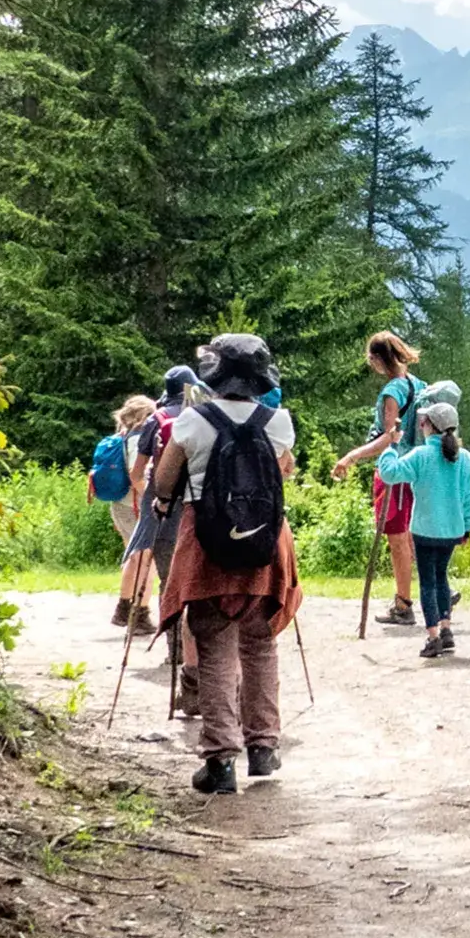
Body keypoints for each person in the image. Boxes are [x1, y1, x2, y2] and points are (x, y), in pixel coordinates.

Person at [153, 335, 300, 795]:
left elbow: (165, 481)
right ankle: (264, 746)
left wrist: (162, 500)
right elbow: (284, 472)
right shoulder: (278, 422)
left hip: (206, 544)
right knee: (260, 643)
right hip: (264, 543)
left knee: (214, 646)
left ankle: (220, 761)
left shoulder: (193, 421)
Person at [333, 332, 426, 626]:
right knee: (412, 535)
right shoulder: (418, 385)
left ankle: (403, 605)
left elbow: (390, 438)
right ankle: (435, 589)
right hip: (417, 470)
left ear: (377, 359)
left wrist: (352, 456)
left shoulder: (392, 392)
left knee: (397, 537)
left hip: (394, 472)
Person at [377, 400, 470, 658]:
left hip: (424, 530)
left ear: (429, 426)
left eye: (423, 422)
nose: (421, 425)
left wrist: (391, 445)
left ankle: (433, 635)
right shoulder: (464, 457)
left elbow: (389, 473)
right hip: (452, 531)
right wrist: (467, 528)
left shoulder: (421, 455)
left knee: (428, 583)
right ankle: (446, 629)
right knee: (441, 577)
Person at [116, 365, 198, 638]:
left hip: (163, 513)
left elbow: (137, 472)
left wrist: (152, 496)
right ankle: (198, 647)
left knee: (168, 580)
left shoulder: (156, 419)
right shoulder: (202, 416)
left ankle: (173, 648)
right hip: (197, 511)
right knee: (198, 580)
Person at [100, 395, 154, 628]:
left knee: (134, 558)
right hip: (135, 505)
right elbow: (137, 476)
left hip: (120, 505)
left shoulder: (121, 437)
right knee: (144, 559)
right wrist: (152, 498)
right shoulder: (137, 439)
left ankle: (132, 610)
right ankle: (133, 611)